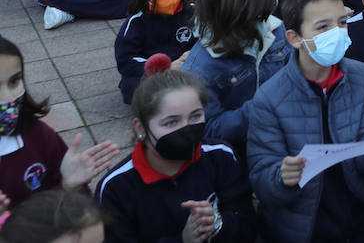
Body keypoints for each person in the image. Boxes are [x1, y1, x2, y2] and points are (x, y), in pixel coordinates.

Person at [245, 0, 364, 242]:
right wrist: (282, 176)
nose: (337, 32)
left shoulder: (360, 74)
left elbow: (363, 151)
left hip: (359, 205)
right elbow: (262, 178)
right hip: (307, 218)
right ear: (294, 38)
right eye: (322, 27)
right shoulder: (269, 98)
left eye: (342, 23)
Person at [96, 69, 256, 243]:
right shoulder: (116, 188)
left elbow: (249, 226)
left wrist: (217, 225)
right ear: (141, 128)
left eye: (195, 116)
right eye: (171, 122)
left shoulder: (221, 156)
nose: (187, 130)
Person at [0, 36, 120, 212]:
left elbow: (77, 217)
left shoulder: (37, 134)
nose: (9, 97)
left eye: (14, 81)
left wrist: (68, 187)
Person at [181, 0, 291, 147]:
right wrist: (262, 108)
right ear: (242, 5)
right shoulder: (200, 69)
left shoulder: (274, 29)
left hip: (283, 133)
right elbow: (209, 129)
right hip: (239, 149)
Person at [113, 0, 195, 103]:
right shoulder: (136, 22)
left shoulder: (193, 11)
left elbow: (210, 37)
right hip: (154, 73)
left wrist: (195, 54)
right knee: (132, 86)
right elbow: (126, 61)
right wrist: (164, 68)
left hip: (189, 67)